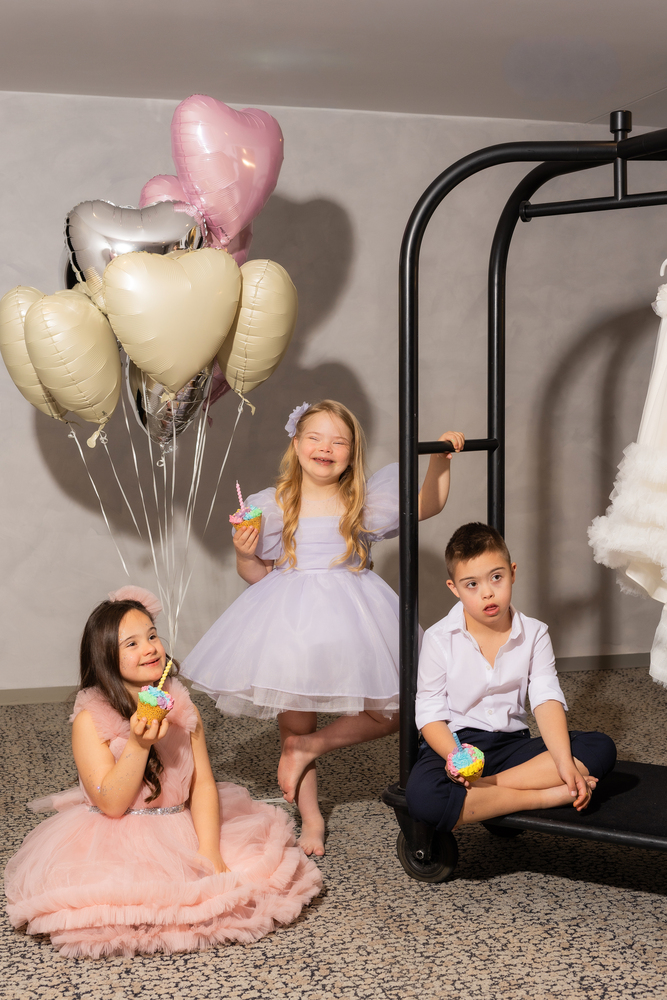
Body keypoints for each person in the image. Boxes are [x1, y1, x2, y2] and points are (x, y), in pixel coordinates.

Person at [182, 400, 464, 857]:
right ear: (296, 445)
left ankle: (308, 747)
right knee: (294, 717)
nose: (325, 448)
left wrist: (439, 461)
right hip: (291, 622)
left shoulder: (361, 500)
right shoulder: (272, 504)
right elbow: (257, 575)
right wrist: (244, 552)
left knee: (397, 709)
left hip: (356, 618)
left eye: (339, 442)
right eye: (314, 438)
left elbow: (426, 504)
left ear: (352, 454)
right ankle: (311, 817)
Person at [4, 587, 321, 958]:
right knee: (115, 905)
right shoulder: (92, 719)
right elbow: (112, 804)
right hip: (117, 831)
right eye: (132, 644)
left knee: (250, 880)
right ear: (106, 657)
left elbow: (202, 784)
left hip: (179, 821)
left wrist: (209, 849)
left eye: (152, 636)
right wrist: (138, 745)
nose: (150, 648)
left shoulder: (182, 706)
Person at [405, 522, 617, 832]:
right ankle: (541, 797)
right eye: (471, 584)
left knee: (600, 747)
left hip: (511, 747)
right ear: (454, 588)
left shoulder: (535, 633)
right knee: (424, 798)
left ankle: (486, 792)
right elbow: (429, 713)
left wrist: (563, 762)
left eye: (496, 577)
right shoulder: (438, 639)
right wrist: (458, 759)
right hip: (458, 745)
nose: (487, 592)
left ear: (512, 572)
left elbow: (546, 699)